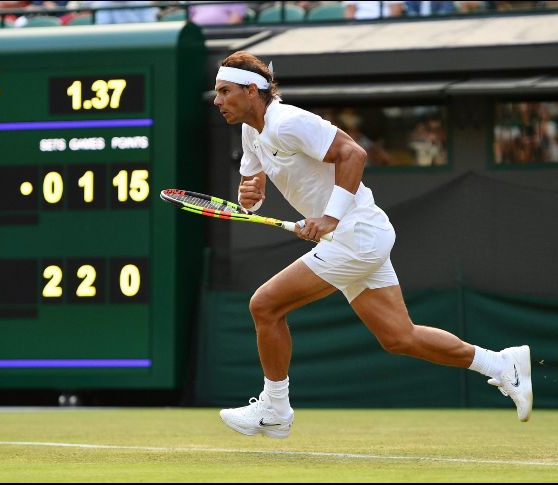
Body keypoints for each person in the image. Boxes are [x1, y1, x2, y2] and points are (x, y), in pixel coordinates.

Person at [212, 51, 533, 439]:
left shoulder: (288, 121)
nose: (217, 101)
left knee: (265, 305)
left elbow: (353, 153)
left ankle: (275, 408)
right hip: (353, 237)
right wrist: (252, 196)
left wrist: (329, 216)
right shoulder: (252, 130)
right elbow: (254, 186)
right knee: (399, 337)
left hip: (355, 235)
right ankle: (501, 365)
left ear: (251, 91)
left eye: (224, 91)